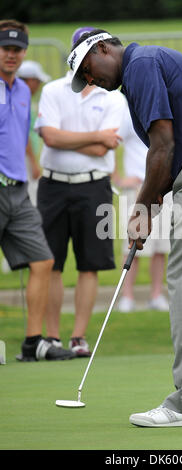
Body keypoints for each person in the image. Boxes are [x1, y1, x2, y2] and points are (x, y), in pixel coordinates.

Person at [67, 29, 182, 427]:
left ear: (103, 49)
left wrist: (139, 208)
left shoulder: (139, 64)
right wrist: (151, 204)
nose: (91, 81)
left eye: (88, 69)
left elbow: (163, 145)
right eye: (83, 78)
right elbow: (168, 157)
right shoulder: (145, 65)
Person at [35, 27, 126, 357]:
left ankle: (78, 337)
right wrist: (93, 138)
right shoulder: (54, 89)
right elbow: (50, 139)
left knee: (90, 264)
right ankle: (54, 337)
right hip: (53, 185)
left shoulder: (114, 96)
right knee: (51, 263)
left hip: (95, 186)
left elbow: (105, 150)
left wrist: (67, 137)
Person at [0, 19, 74, 361]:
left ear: (24, 52)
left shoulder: (21, 91)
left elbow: (20, 135)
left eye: (17, 50)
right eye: (5, 49)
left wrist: (30, 163)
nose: (11, 55)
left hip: (17, 191)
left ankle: (32, 344)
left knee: (43, 260)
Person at [113, 102, 171, 312]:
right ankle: (127, 296)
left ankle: (156, 295)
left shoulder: (165, 108)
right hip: (136, 186)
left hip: (163, 185)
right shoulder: (129, 109)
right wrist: (118, 178)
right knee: (133, 244)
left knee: (160, 247)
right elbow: (113, 142)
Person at [17, 60, 51, 205]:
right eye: (37, 81)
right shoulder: (20, 101)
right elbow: (24, 135)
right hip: (23, 159)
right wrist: (33, 163)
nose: (38, 86)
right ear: (29, 80)